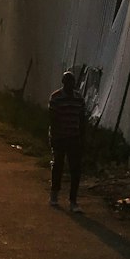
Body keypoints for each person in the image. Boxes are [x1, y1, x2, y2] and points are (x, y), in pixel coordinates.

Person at [48, 69, 86, 213]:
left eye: (72, 82)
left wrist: (83, 138)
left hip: (74, 138)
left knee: (75, 170)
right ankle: (54, 194)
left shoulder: (79, 99)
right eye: (67, 82)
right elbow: (53, 119)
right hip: (59, 137)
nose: (70, 85)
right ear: (63, 83)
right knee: (58, 165)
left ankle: (73, 200)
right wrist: (54, 137)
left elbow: (82, 120)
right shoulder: (56, 98)